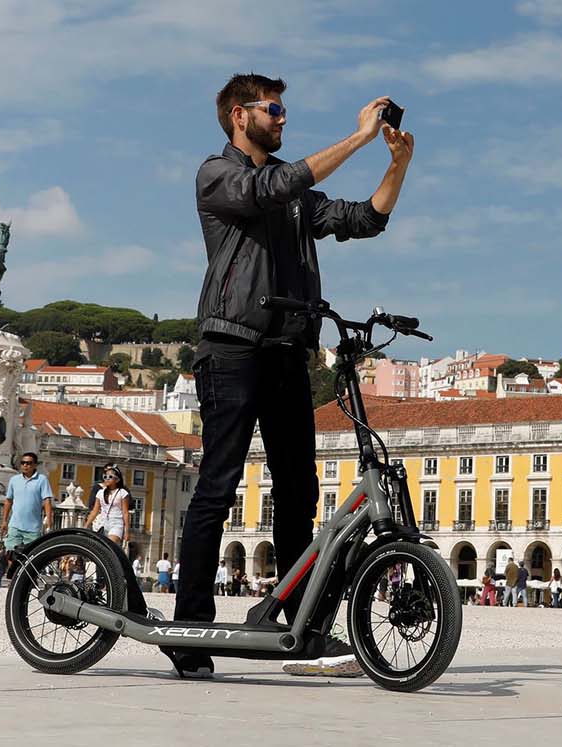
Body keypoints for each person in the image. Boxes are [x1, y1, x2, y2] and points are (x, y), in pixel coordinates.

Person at [175, 73, 413, 681]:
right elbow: (276, 184)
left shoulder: (295, 195)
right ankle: (188, 628)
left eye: (283, 110)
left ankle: (294, 624)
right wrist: (356, 139)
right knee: (218, 485)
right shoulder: (218, 174)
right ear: (239, 115)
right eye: (274, 109)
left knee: (299, 492)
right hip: (231, 346)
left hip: (287, 352)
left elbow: (362, 219)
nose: (282, 119)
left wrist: (397, 165)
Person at [0, 452, 54, 573]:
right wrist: (4, 520)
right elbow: (8, 500)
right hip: (15, 525)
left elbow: (47, 501)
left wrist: (49, 519)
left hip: (33, 528)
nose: (25, 465)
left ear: (35, 465)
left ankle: (25, 580)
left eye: (29, 463)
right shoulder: (14, 480)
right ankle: (13, 579)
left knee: (31, 557)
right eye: (23, 463)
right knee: (11, 554)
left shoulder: (42, 480)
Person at [83, 464, 130, 547]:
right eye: (105, 477)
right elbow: (95, 511)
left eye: (110, 477)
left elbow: (125, 512)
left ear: (117, 479)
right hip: (103, 523)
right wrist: (86, 525)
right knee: (100, 548)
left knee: (110, 546)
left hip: (116, 523)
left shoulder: (122, 493)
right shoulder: (100, 493)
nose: (107, 479)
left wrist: (127, 531)